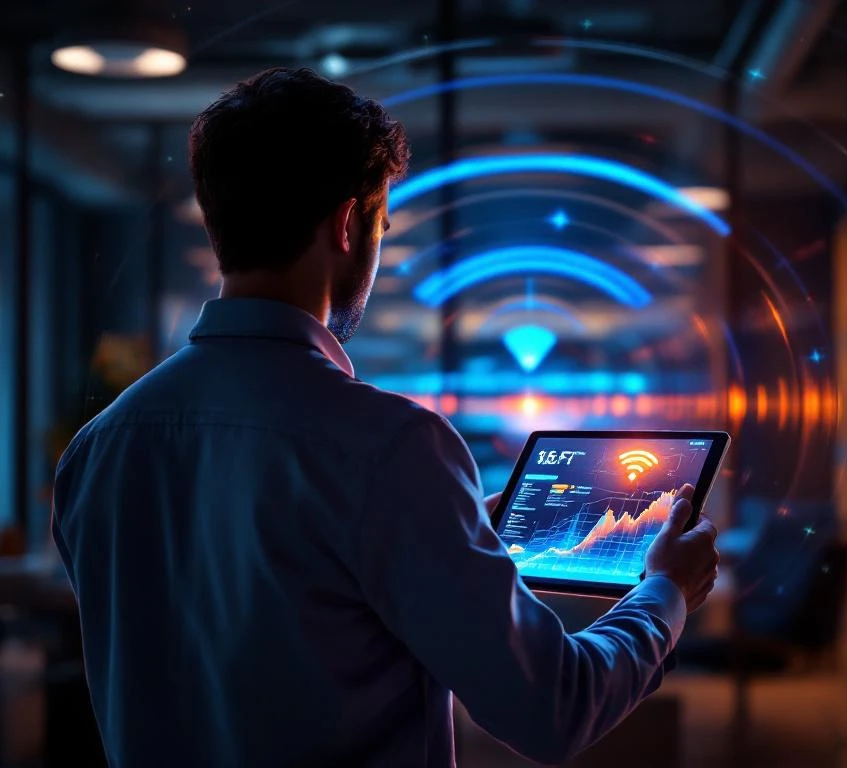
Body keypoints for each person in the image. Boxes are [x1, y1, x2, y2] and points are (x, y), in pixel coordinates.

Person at [51, 67, 720, 767]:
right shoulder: (391, 447)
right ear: (348, 223)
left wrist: (438, 533)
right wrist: (666, 592)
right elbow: (554, 708)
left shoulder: (99, 448)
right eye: (382, 222)